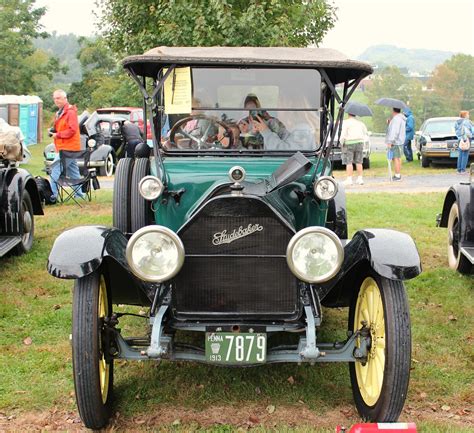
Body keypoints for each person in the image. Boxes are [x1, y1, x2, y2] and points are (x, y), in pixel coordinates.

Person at [49, 89, 83, 201]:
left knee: (55, 171)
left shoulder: (70, 112)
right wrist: (53, 131)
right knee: (74, 173)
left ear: (65, 98)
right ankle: (79, 195)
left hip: (68, 148)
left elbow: (72, 130)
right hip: (64, 147)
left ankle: (52, 197)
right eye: (54, 98)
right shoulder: (60, 112)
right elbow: (61, 128)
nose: (56, 100)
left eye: (58, 98)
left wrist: (57, 135)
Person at [340, 113, 368, 185]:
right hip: (360, 143)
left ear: (349, 114)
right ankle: (360, 179)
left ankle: (349, 179)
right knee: (359, 162)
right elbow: (365, 132)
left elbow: (343, 134)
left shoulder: (346, 122)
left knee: (349, 162)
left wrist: (341, 142)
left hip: (349, 143)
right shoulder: (360, 123)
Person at [385, 107, 406, 181]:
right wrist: (390, 123)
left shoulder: (396, 119)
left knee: (395, 158)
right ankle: (398, 174)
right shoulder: (401, 118)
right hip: (400, 141)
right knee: (398, 158)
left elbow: (394, 131)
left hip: (395, 142)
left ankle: (397, 175)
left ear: (393, 110)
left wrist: (390, 141)